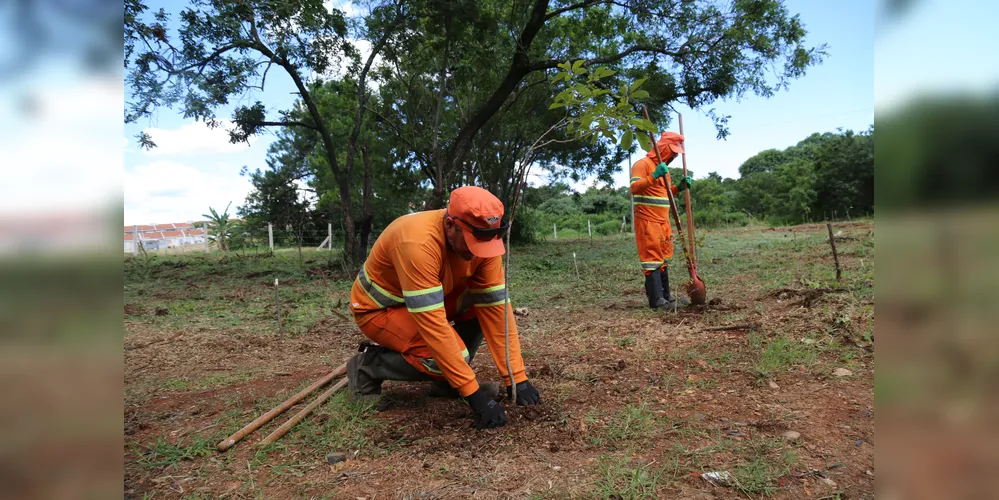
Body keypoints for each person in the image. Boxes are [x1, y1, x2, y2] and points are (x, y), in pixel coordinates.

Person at [346, 186, 541, 429]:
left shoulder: (484, 237)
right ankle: (368, 367)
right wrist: (473, 395)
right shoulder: (417, 242)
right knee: (443, 359)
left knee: (480, 310)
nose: (479, 253)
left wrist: (517, 378)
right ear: (450, 225)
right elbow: (434, 327)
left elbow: (495, 308)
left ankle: (447, 382)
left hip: (432, 300)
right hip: (381, 310)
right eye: (472, 243)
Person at [629, 131, 693, 309]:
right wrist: (653, 175)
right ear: (663, 148)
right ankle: (656, 300)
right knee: (652, 258)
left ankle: (666, 296)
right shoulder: (642, 165)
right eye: (671, 151)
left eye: (676, 153)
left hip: (663, 221)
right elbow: (634, 188)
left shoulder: (665, 170)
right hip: (647, 220)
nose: (673, 156)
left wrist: (678, 188)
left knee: (664, 258)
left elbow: (663, 194)